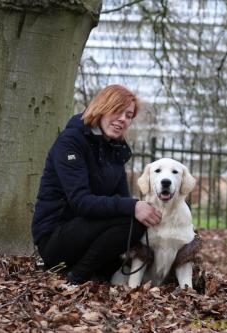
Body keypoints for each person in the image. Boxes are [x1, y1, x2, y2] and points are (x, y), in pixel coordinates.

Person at [31, 84, 162, 284]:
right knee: (131, 216)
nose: (122, 120)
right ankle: (77, 277)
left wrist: (144, 210)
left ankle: (97, 272)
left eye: (128, 115)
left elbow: (122, 200)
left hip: (88, 233)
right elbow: (80, 201)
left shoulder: (115, 149)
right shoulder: (71, 141)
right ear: (102, 107)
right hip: (55, 236)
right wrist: (133, 206)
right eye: (117, 111)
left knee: (135, 224)